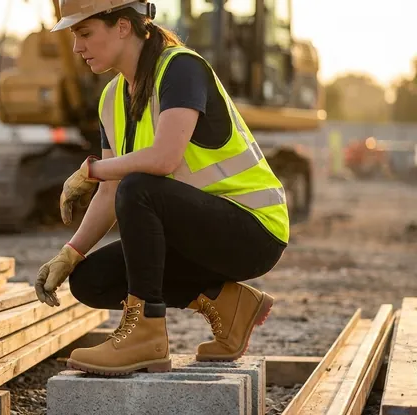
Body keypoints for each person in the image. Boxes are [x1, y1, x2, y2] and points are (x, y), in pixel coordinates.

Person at [34, 0, 288, 376]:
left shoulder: (180, 68)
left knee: (140, 188)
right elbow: (109, 190)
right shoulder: (110, 99)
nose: (77, 47)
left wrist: (91, 170)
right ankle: (230, 304)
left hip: (253, 231)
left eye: (85, 33)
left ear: (122, 26)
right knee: (91, 280)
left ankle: (145, 335)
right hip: (196, 234)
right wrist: (70, 254)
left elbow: (164, 159)